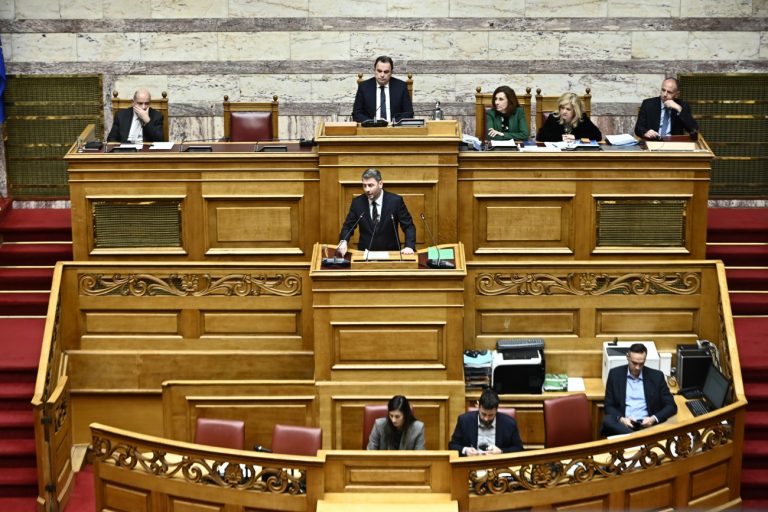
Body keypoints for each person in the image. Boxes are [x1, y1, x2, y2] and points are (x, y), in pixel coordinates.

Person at [601, 343, 677, 436]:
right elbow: (608, 406)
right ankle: (638, 437)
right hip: (624, 425)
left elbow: (671, 406)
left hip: (647, 425)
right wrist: (622, 419)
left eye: (641, 364)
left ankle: (634, 437)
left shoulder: (657, 376)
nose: (637, 367)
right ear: (627, 357)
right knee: (607, 420)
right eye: (634, 363)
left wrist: (653, 418)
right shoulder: (615, 374)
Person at [337, 168, 416, 256]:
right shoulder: (357, 203)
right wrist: (343, 241)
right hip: (365, 255)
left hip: (391, 255)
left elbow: (408, 226)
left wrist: (409, 246)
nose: (367, 189)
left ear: (380, 184)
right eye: (364, 186)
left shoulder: (395, 201)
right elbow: (348, 226)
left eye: (370, 185)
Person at [449, 388, 524, 456]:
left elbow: (519, 448)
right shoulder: (464, 420)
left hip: (497, 464)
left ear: (496, 409)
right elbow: (452, 446)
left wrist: (501, 451)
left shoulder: (509, 423)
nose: (486, 419)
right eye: (483, 414)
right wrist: (465, 450)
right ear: (478, 406)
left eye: (491, 415)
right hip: (472, 463)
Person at [352, 56, 414, 124]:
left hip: (394, 128)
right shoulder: (364, 87)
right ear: (374, 70)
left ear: (391, 72)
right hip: (371, 128)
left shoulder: (401, 87)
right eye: (379, 71)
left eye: (386, 72)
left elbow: (409, 113)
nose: (382, 75)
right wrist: (372, 123)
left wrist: (393, 123)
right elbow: (356, 113)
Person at [634, 77, 699, 140]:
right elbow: (638, 128)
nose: (665, 94)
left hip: (673, 143)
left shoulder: (682, 106)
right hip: (653, 141)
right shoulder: (648, 104)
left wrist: (679, 109)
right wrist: (645, 132)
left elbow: (693, 130)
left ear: (677, 94)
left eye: (669, 92)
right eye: (663, 90)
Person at [536, 92, 602, 142]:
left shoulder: (582, 118)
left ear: (575, 111)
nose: (564, 111)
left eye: (568, 109)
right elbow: (540, 136)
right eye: (562, 108)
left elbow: (598, 136)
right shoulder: (553, 117)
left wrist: (575, 137)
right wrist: (561, 138)